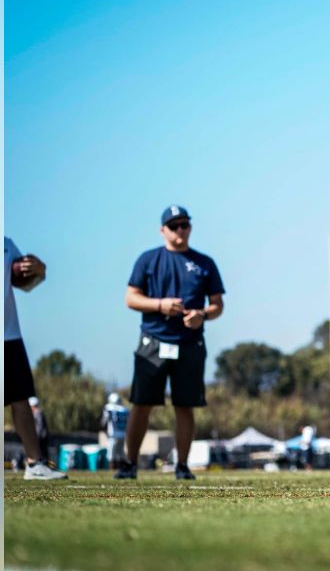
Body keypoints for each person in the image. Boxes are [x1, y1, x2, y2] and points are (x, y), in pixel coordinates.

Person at [115, 205, 225, 481]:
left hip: (189, 344)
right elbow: (131, 298)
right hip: (153, 342)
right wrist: (160, 305)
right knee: (141, 404)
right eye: (174, 225)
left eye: (184, 225)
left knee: (185, 405)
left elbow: (217, 305)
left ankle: (182, 466)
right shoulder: (148, 260)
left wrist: (202, 316)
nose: (180, 230)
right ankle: (130, 464)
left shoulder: (204, 263)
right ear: (162, 229)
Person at [4, 238, 66, 480]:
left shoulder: (6, 244)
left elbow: (25, 283)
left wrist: (40, 271)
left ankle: (35, 464)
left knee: (21, 400)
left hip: (7, 333)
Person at [101, 393, 130, 468]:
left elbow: (104, 422)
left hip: (113, 434)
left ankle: (113, 469)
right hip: (123, 434)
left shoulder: (109, 408)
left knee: (111, 454)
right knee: (121, 453)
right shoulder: (124, 409)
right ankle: (122, 469)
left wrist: (104, 431)